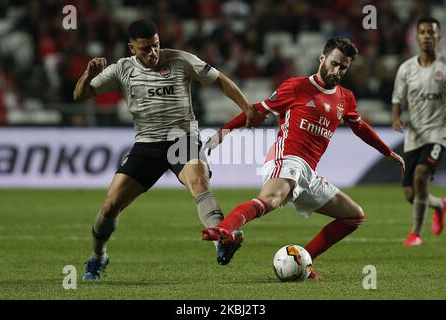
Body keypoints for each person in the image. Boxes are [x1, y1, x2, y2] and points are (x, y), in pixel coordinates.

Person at [73, 19, 266, 280]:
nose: (152, 53)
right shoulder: (121, 70)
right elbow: (80, 95)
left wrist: (247, 109)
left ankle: (221, 240)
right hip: (147, 145)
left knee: (200, 183)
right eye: (145, 49)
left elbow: (221, 80)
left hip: (183, 139)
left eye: (155, 46)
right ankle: (97, 257)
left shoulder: (180, 60)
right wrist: (88, 74)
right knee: (109, 207)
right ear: (132, 49)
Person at [202, 37, 405, 278]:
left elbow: (359, 127)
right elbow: (256, 111)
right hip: (286, 159)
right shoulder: (296, 87)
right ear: (322, 58)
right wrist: (222, 133)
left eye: (343, 67)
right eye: (334, 63)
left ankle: (302, 261)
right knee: (271, 200)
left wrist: (389, 152)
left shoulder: (345, 97)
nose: (337, 70)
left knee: (354, 216)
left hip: (308, 173)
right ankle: (224, 230)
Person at [391, 16, 446, 246]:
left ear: (439, 37)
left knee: (421, 175)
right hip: (414, 136)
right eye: (423, 32)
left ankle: (415, 234)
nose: (427, 37)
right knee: (411, 195)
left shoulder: (443, 68)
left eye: (431, 32)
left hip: (438, 134)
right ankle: (440, 205)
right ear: (416, 38)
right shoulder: (406, 69)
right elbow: (397, 98)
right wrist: (395, 117)